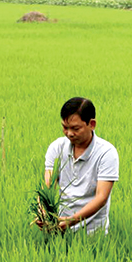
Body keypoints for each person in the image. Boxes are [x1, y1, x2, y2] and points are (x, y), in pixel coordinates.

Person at [42, 97, 119, 234]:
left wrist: (70, 221)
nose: (69, 133)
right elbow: (47, 187)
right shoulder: (57, 148)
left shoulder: (106, 153)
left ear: (92, 124)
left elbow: (101, 198)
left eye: (75, 128)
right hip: (60, 231)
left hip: (93, 234)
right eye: (65, 127)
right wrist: (42, 212)